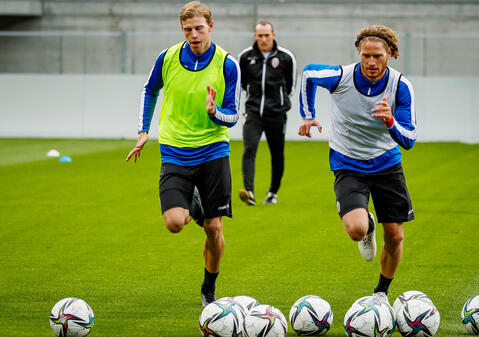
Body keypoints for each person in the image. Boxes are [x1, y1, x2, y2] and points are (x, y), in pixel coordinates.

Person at [125, 1, 240, 307]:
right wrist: (143, 131)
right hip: (175, 152)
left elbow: (234, 115)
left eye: (199, 28)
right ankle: (195, 202)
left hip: (214, 151)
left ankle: (208, 289)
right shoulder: (167, 58)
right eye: (188, 30)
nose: (193, 35)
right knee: (175, 222)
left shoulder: (227, 64)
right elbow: (149, 90)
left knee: (214, 228)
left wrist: (215, 112)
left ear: (210, 27)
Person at [298, 25, 416, 301]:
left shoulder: (400, 86)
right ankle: (367, 226)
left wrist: (390, 121)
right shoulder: (341, 76)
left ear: (389, 53)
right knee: (356, 230)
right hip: (348, 163)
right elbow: (308, 73)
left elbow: (409, 139)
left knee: (396, 237)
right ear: (359, 54)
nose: (371, 62)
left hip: (387, 164)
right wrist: (307, 114)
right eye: (366, 56)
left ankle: (381, 294)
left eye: (377, 56)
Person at [237, 20, 296, 205]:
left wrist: (278, 103)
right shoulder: (245, 57)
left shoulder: (286, 57)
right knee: (249, 149)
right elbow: (242, 84)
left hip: (276, 114)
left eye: (267, 35)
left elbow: (290, 86)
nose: (263, 39)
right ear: (255, 36)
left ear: (273, 35)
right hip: (253, 113)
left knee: (277, 153)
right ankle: (249, 192)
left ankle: (272, 193)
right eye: (260, 35)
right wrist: (249, 107)